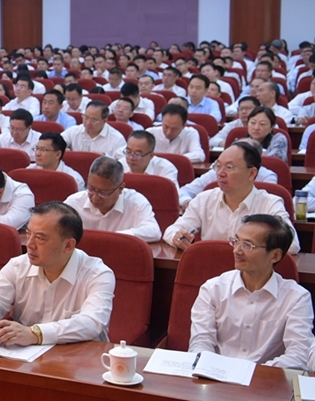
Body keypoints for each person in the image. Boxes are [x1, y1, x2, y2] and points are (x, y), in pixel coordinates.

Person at [0, 201, 115, 347]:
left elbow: (92, 322)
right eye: (28, 234)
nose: (29, 244)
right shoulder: (18, 266)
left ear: (68, 245)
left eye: (40, 238)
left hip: (79, 356)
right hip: (25, 356)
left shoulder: (98, 274)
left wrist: (34, 334)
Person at [190, 214, 313, 370]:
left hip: (265, 380)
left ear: (275, 255)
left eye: (247, 245)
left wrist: (253, 374)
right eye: (236, 241)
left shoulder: (296, 298)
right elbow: (201, 342)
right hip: (214, 375)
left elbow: (298, 354)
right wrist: (207, 368)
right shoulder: (213, 289)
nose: (236, 251)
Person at [164, 141, 300, 254]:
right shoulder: (204, 199)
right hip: (211, 271)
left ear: (252, 173)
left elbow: (292, 245)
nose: (220, 173)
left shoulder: (269, 204)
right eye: (218, 166)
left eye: (229, 167)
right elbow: (171, 231)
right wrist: (177, 237)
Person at [64, 156, 161, 242]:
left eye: (103, 192)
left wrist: (115, 237)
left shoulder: (136, 203)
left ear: (120, 188)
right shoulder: (74, 202)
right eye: (91, 189)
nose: (95, 197)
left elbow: (154, 232)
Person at [61, 100, 126, 157]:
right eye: (86, 117)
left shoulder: (117, 139)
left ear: (104, 121)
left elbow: (122, 162)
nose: (88, 123)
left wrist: (105, 158)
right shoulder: (74, 131)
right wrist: (62, 149)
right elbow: (57, 142)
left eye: (93, 120)